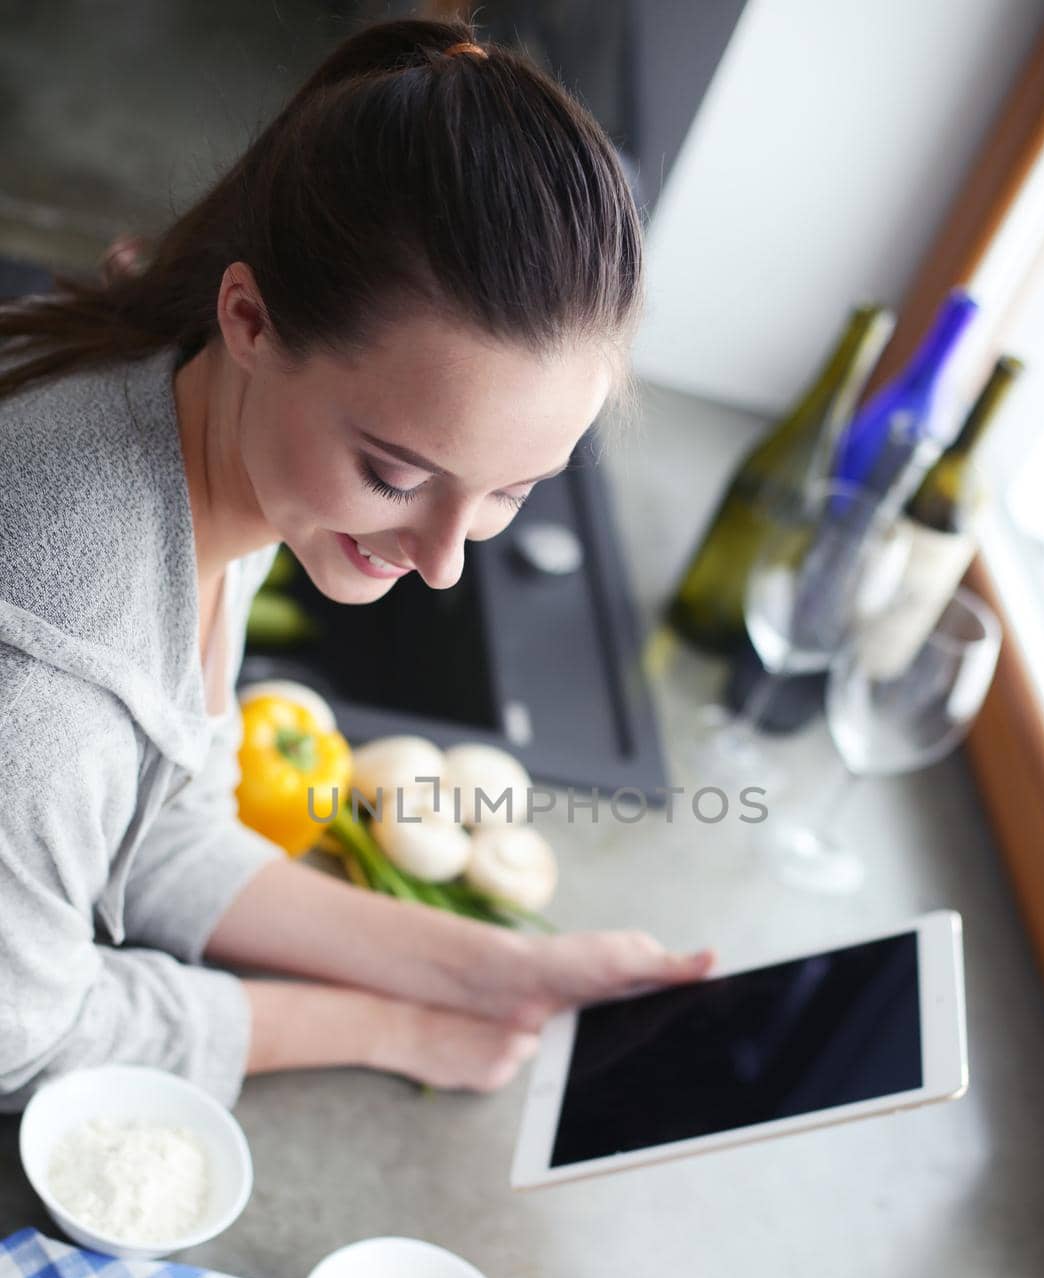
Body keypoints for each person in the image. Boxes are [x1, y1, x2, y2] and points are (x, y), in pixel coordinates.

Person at [0, 19, 713, 1114]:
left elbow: (149, 828)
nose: (440, 564)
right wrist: (398, 1029)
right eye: (394, 474)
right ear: (250, 317)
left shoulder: (186, 406)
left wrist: (501, 972)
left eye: (509, 494)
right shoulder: (45, 689)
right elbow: (29, 1041)